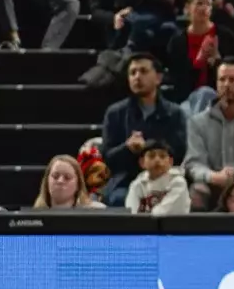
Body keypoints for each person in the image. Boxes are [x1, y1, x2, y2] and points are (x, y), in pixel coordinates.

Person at [100, 52, 188, 207]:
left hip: (166, 180)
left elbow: (180, 153)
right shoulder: (115, 113)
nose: (137, 77)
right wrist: (127, 148)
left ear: (158, 78)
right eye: (132, 73)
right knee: (120, 199)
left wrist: (150, 149)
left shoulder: (175, 113)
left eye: (143, 71)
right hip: (125, 180)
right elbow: (107, 158)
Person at [125, 140, 189, 215]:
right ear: (142, 162)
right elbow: (131, 212)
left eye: (162, 156)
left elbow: (166, 212)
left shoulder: (178, 182)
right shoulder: (137, 184)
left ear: (170, 162)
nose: (157, 160)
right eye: (151, 156)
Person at [34, 153, 103, 209]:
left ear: (78, 184)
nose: (60, 181)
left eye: (67, 177)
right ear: (47, 181)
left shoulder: (97, 211)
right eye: (55, 176)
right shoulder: (33, 215)